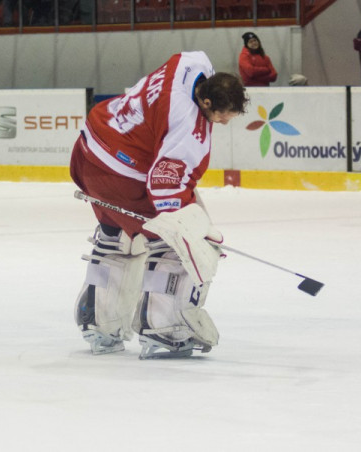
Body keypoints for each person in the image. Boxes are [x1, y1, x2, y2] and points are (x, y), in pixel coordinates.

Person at [70, 51, 248, 359]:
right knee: (173, 243)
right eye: (221, 116)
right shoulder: (187, 128)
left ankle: (98, 321)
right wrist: (191, 232)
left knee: (117, 237)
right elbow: (164, 188)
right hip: (122, 174)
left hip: (90, 149)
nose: (223, 122)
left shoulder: (190, 64)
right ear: (205, 103)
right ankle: (165, 327)